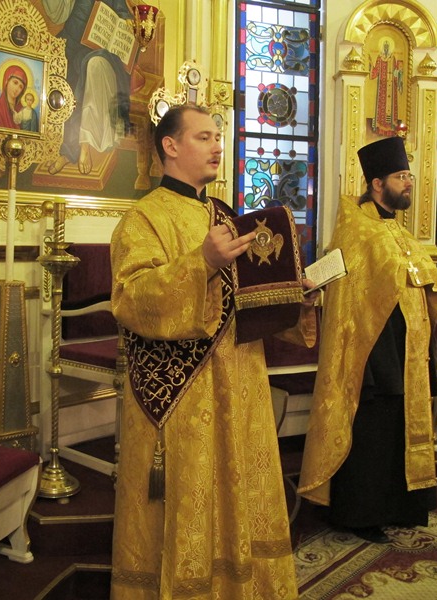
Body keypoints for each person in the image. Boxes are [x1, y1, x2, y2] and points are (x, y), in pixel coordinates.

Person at [109, 104, 318, 598]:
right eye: (203, 137)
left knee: (237, 490)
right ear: (170, 146)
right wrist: (200, 261)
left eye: (218, 137)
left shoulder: (228, 216)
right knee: (191, 495)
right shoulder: (142, 219)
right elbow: (132, 300)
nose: (217, 146)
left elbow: (249, 300)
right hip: (183, 394)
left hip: (241, 383)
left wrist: (295, 295)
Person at [297, 137, 437, 544]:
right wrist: (311, 284)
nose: (409, 183)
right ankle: (359, 514)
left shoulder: (396, 230)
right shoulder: (356, 228)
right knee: (373, 431)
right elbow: (342, 278)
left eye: (409, 175)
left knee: (398, 427)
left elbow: (417, 276)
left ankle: (402, 506)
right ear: (378, 183)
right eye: (401, 176)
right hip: (372, 349)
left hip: (407, 346)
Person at [42, 0, 133, 175]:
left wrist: (126, 20)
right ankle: (66, 151)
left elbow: (122, 9)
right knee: (54, 76)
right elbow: (58, 13)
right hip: (71, 40)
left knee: (87, 72)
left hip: (97, 45)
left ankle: (83, 146)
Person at [0, 64, 27, 129]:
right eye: (15, 83)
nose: (17, 89)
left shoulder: (22, 111)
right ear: (6, 81)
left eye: (20, 87)